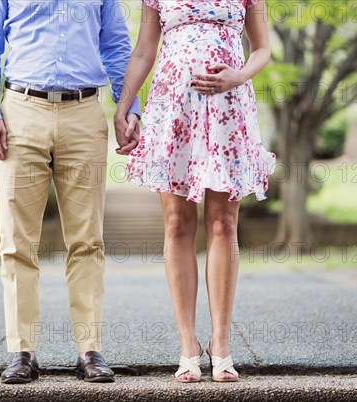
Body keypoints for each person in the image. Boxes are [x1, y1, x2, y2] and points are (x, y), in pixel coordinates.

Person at [0, 0, 140, 384]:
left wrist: (130, 107)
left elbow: (116, 44)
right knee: (16, 242)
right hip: (20, 112)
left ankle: (89, 350)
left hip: (84, 112)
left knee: (87, 240)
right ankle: (22, 351)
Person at [114, 0, 276, 382]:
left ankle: (220, 345)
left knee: (223, 224)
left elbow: (263, 48)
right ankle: (188, 345)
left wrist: (237, 76)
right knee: (176, 225)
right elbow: (143, 51)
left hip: (228, 108)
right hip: (171, 110)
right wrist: (124, 107)